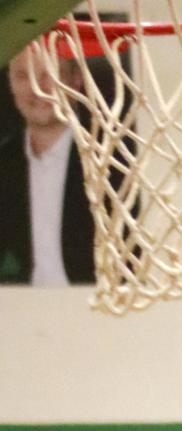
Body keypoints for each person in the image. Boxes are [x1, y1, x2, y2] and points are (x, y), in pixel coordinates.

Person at [0, 47, 95, 286]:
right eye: (23, 76)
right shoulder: (4, 163)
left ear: (76, 81)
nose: (37, 88)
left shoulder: (112, 161)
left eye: (50, 75)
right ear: (10, 83)